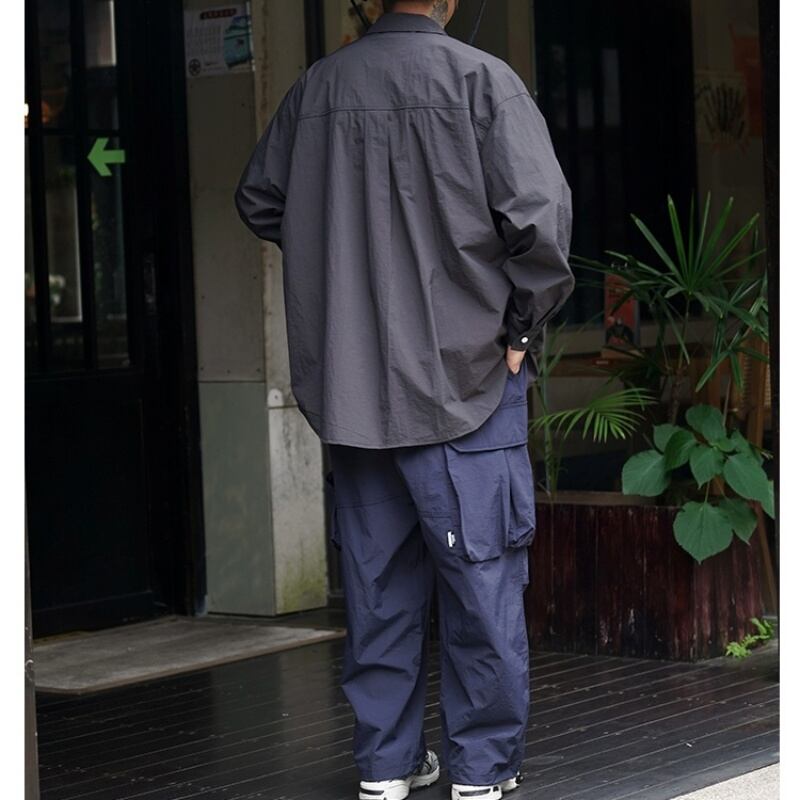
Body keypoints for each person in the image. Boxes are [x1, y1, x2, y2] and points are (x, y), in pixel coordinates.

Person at [234, 1, 575, 798]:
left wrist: (337, 246)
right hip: (469, 379)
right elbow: (541, 223)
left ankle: (385, 769)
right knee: (481, 585)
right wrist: (521, 328)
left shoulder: (317, 88)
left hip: (354, 388)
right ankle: (480, 773)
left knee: (377, 588)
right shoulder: (483, 81)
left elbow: (259, 199)